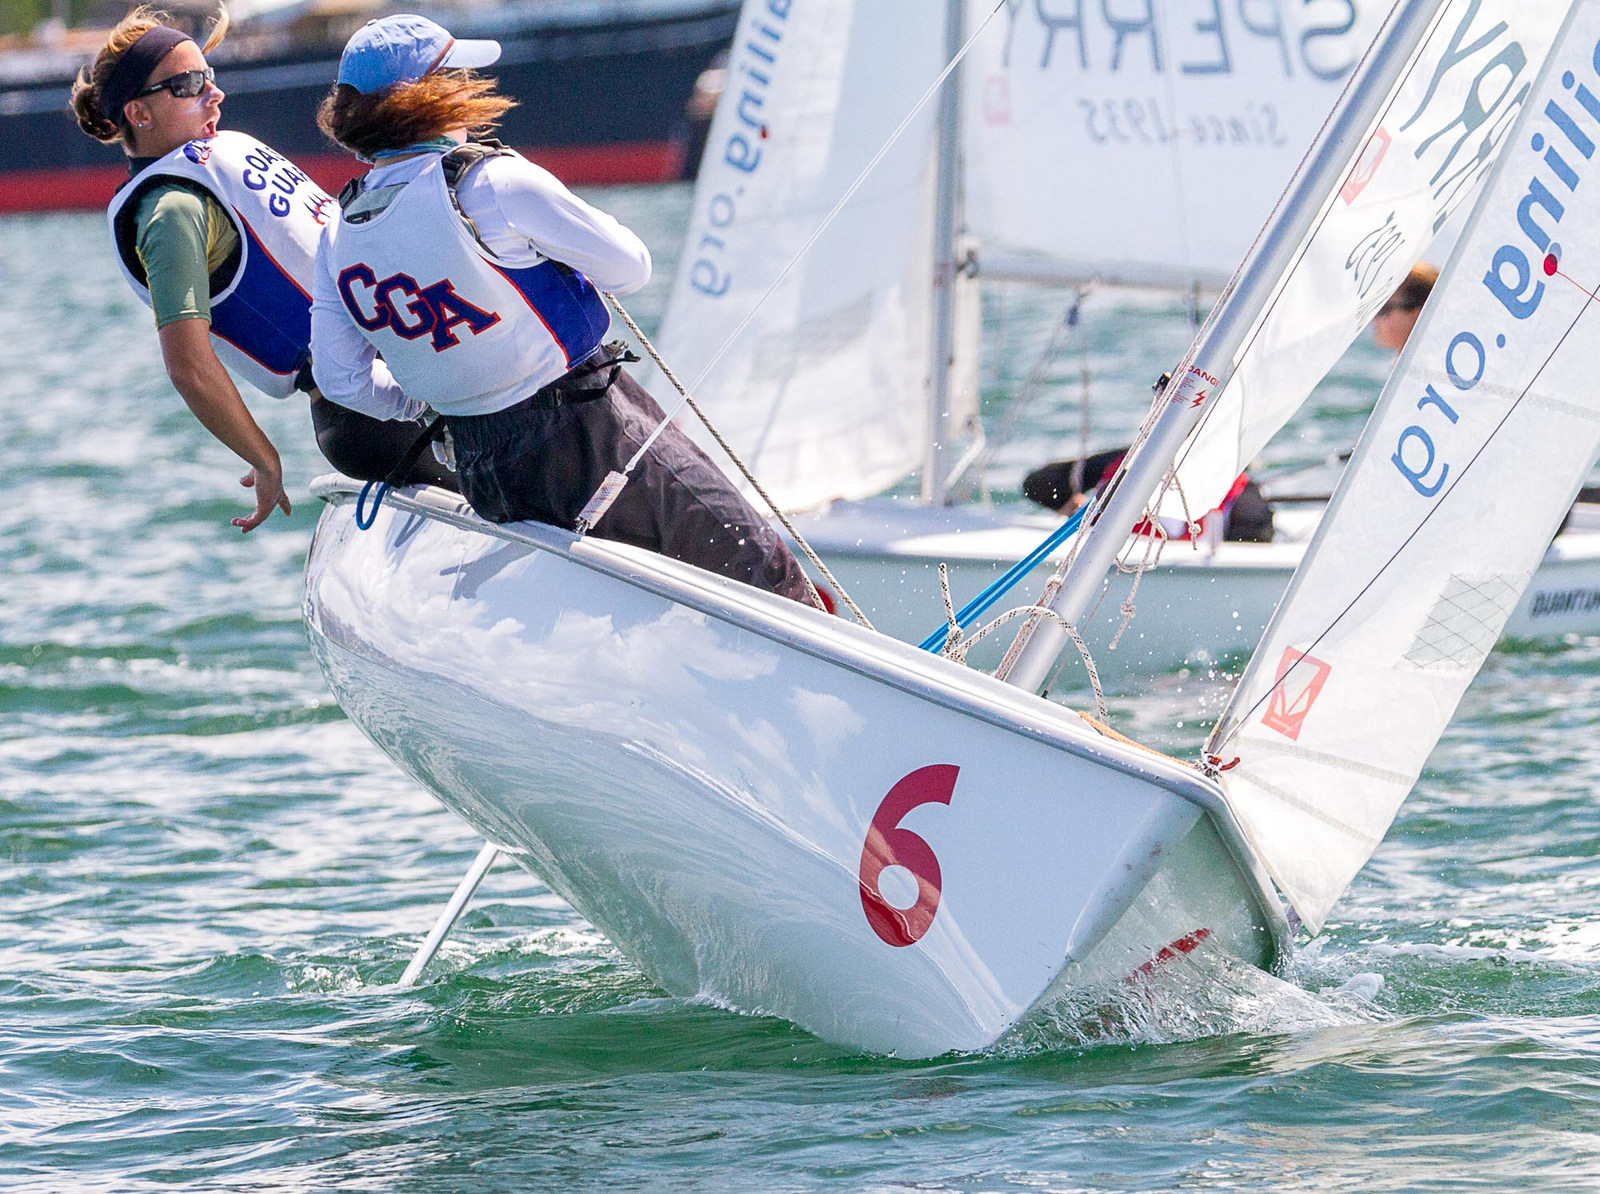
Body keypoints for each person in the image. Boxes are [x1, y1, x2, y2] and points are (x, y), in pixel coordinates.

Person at [309, 14, 815, 604]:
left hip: (479, 461)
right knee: (757, 567)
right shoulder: (491, 183)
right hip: (583, 429)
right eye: (459, 72)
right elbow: (632, 267)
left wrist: (426, 399)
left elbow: (339, 378)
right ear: (435, 94)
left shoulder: (338, 228)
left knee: (621, 598)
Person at [70, 5, 452, 535]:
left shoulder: (220, 158)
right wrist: (264, 458)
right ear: (139, 113)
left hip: (424, 355)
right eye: (188, 83)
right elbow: (187, 363)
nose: (214, 93)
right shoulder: (173, 209)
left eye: (209, 76)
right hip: (372, 408)